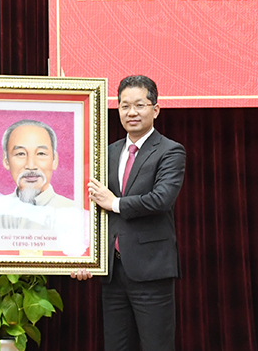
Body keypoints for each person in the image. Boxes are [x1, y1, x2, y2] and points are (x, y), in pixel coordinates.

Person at [72, 75, 186, 351]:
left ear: (155, 109)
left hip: (151, 271)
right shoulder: (107, 153)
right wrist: (84, 255)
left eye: (139, 105)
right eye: (124, 106)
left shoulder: (170, 151)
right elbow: (90, 208)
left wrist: (115, 203)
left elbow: (161, 199)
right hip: (112, 271)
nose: (131, 112)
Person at [0, 119, 75, 229]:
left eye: (41, 153)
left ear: (54, 160)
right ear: (6, 161)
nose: (31, 166)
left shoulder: (74, 212)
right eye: (20, 154)